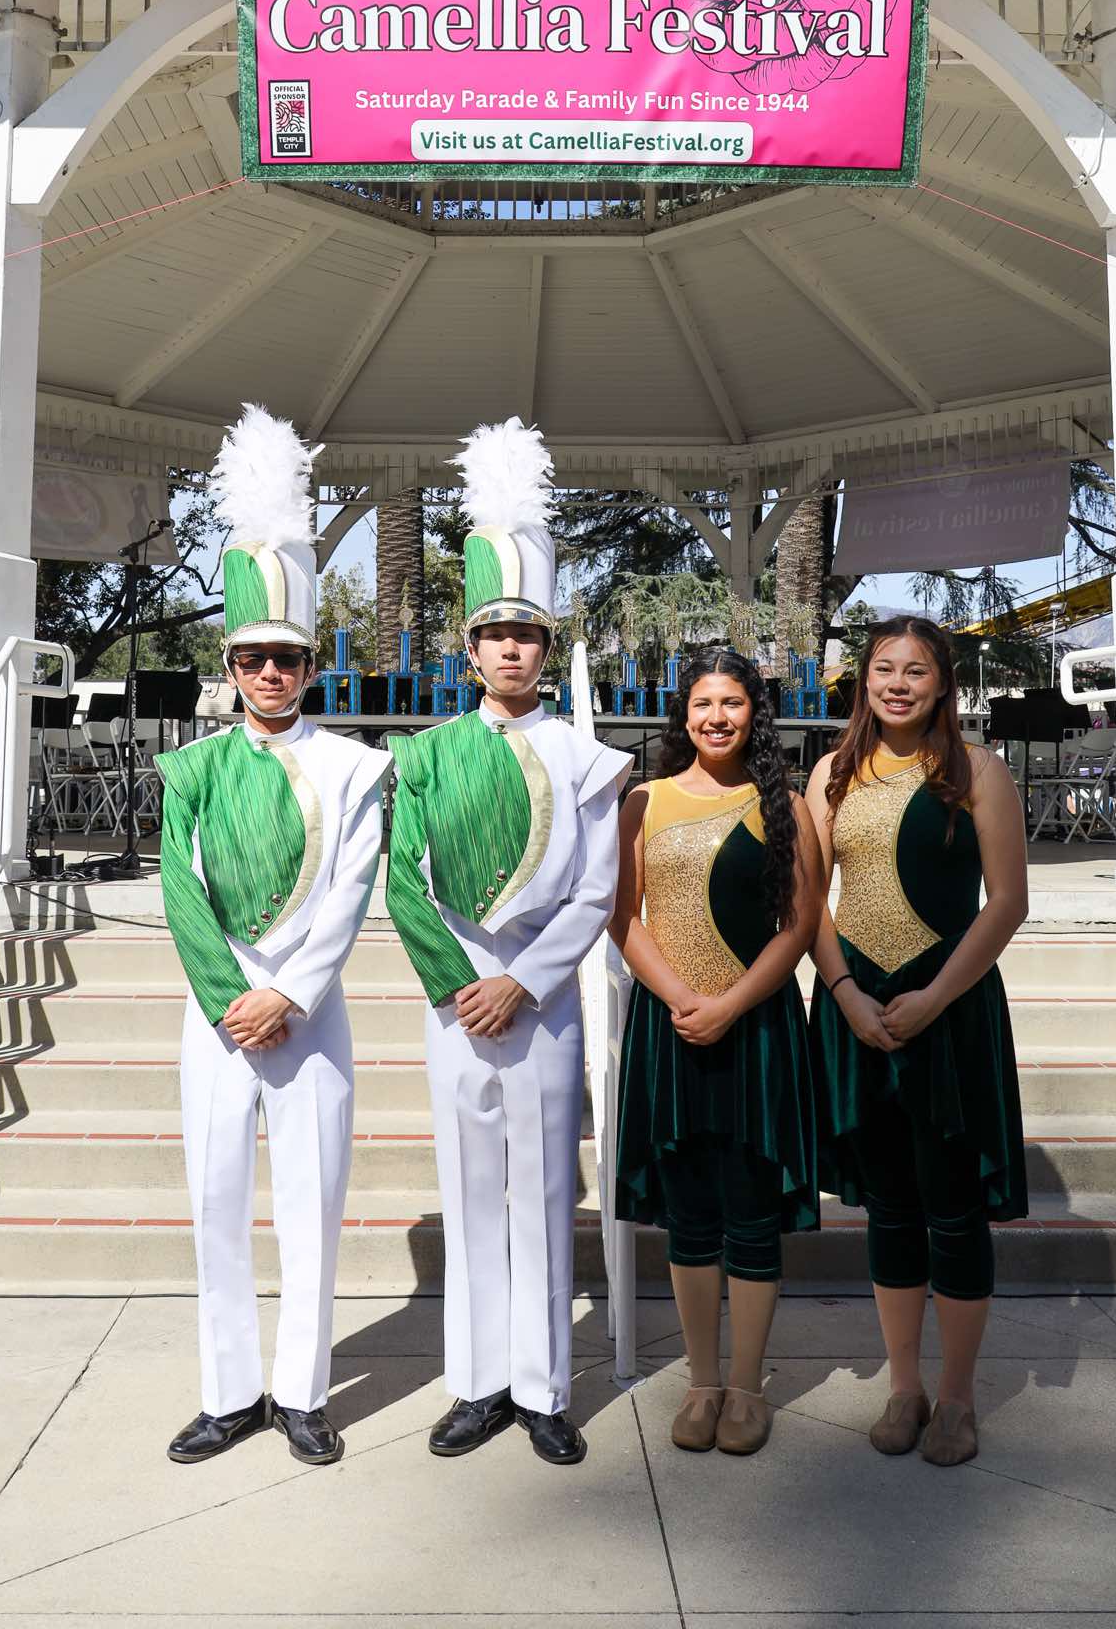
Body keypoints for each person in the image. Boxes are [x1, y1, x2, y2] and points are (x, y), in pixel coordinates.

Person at [385, 417, 633, 1466]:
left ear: (546, 645)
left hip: (543, 1002)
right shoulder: (426, 753)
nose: (512, 650)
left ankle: (542, 1389)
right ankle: (476, 1384)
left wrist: (522, 983)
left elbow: (595, 890)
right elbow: (404, 883)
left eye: (528, 635)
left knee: (540, 1195)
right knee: (469, 1194)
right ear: (472, 649)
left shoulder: (584, 756)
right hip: (457, 1002)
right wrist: (462, 984)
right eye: (494, 635)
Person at [156, 406, 391, 1468]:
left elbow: (350, 892)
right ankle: (227, 1392)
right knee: (215, 1203)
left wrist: (288, 994)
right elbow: (180, 888)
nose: (269, 674)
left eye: (286, 659)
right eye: (252, 657)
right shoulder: (192, 768)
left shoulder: (354, 766)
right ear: (232, 662)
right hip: (218, 1015)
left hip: (308, 1009)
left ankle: (301, 1391)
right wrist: (230, 999)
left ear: (309, 667)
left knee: (311, 1200)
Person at [806, 614, 1028, 1468]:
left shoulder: (977, 771)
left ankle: (957, 1397)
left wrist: (935, 996)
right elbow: (808, 901)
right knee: (890, 1206)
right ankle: (904, 1386)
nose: (897, 684)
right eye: (883, 669)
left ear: (941, 684)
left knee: (954, 1209)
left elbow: (1006, 902)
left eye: (916, 671)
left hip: (951, 1011)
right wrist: (844, 994)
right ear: (863, 679)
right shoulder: (831, 772)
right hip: (857, 1011)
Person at [611, 646, 822, 1455]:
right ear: (683, 713)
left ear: (753, 713)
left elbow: (799, 924)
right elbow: (623, 917)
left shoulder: (784, 805)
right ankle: (701, 1382)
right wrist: (680, 998)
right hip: (670, 1029)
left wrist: (729, 1004)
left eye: (731, 703)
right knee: (689, 1214)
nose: (716, 717)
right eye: (702, 703)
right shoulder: (644, 800)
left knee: (751, 1211)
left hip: (758, 1028)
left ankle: (746, 1385)